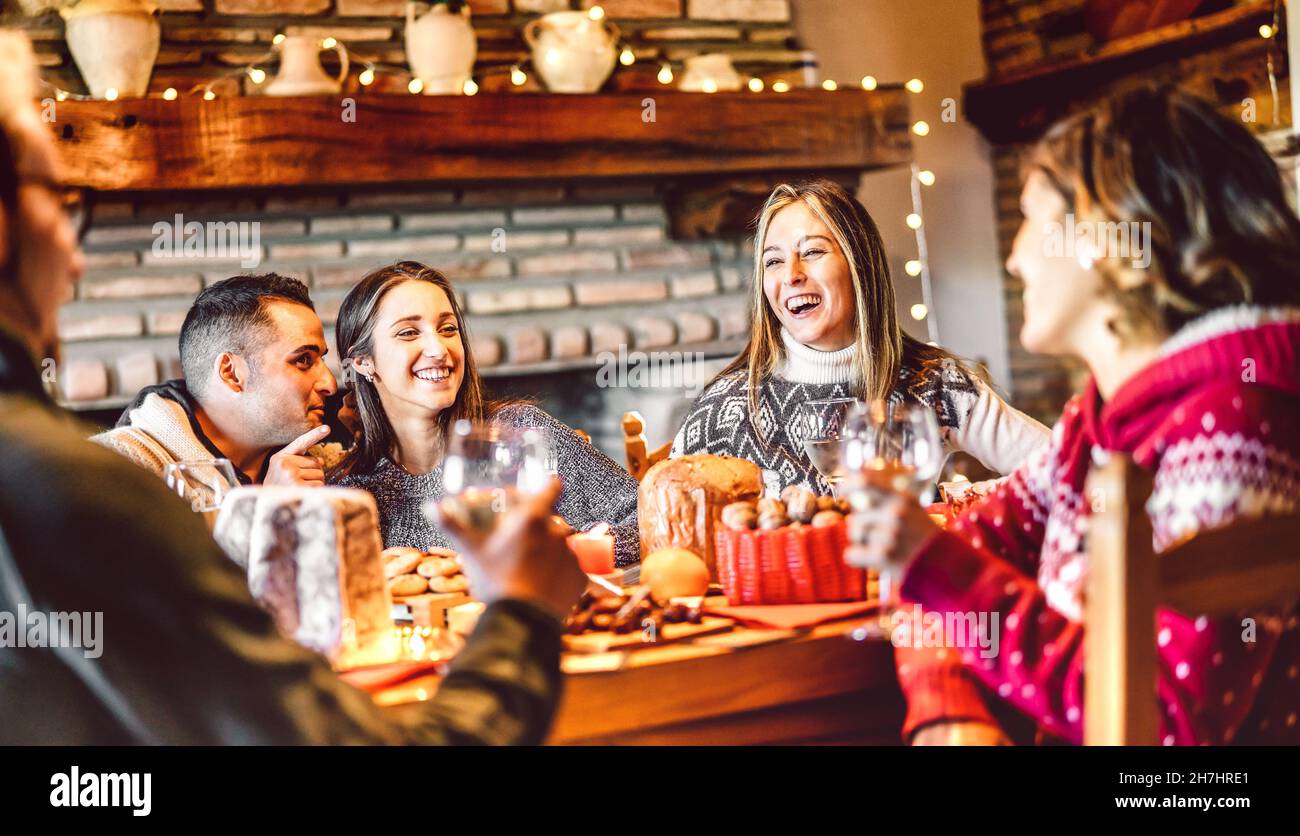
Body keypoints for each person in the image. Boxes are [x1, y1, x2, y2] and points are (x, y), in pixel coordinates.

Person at [0, 30, 585, 745]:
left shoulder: (323, 468)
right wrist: (523, 608)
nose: (74, 255)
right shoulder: (95, 481)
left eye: (448, 328)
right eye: (59, 197)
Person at [849, 85, 1300, 746]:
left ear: (1109, 240)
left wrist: (934, 569)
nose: (1014, 255)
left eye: (1031, 219)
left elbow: (1163, 734)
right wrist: (950, 711)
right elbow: (960, 555)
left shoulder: (1235, 428)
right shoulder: (1098, 417)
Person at [671, 179, 1048, 496]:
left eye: (813, 251)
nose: (791, 275)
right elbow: (661, 521)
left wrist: (973, 501)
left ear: (859, 264)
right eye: (773, 261)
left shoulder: (932, 383)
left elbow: (1063, 469)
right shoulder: (727, 407)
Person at [328, 261, 642, 566]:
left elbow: (649, 516)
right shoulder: (349, 490)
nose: (439, 349)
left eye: (448, 328)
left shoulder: (521, 432)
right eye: (409, 333)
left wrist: (571, 553)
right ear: (363, 362)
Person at [92, 273, 344, 486]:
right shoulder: (114, 471)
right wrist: (264, 509)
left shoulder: (320, 466)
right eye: (303, 360)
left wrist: (370, 448)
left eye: (321, 359)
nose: (330, 384)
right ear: (231, 373)